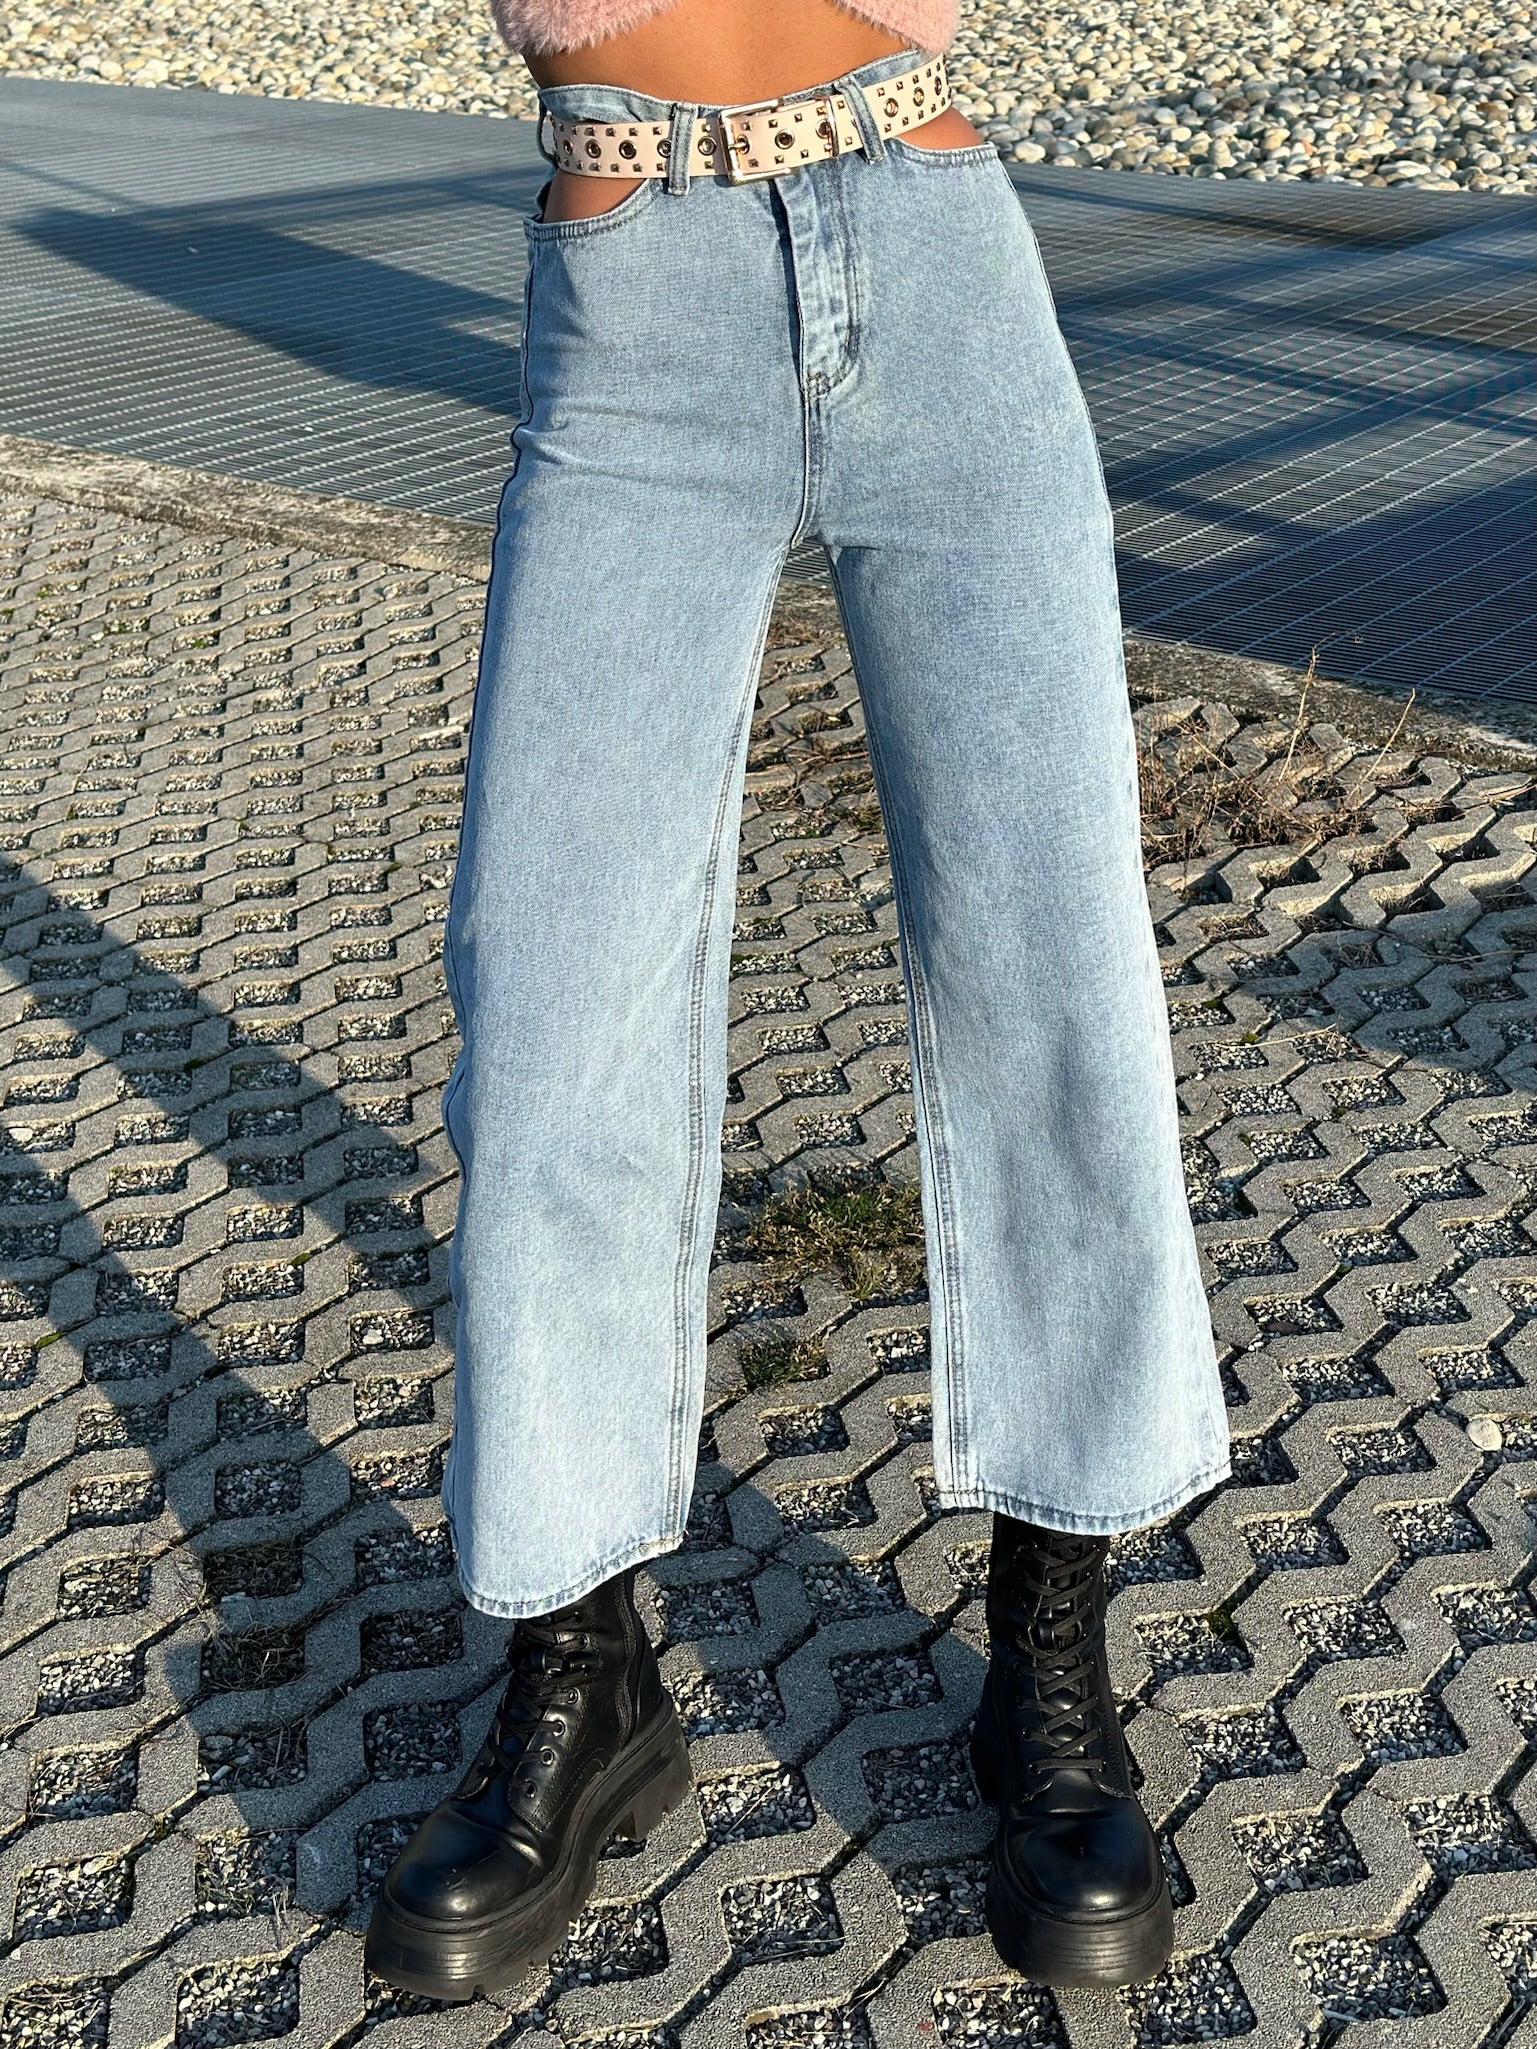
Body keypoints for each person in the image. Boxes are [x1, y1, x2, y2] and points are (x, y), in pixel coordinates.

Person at [364, 0, 1231, 2003]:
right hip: (632, 294)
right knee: (552, 1006)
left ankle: (1049, 1648)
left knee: (1054, 977)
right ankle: (582, 1662)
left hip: (932, 249)